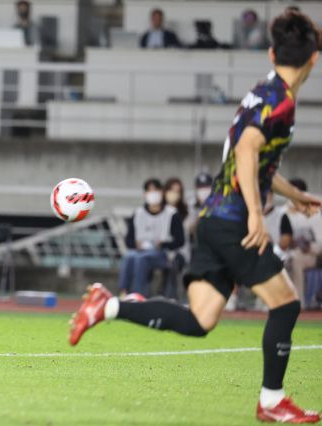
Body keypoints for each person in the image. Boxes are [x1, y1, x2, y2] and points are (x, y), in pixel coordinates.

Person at [70, 10, 321, 423]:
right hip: (234, 222)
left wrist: (296, 196)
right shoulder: (282, 103)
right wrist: (257, 217)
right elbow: (245, 154)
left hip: (214, 219)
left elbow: (256, 161)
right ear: (313, 60)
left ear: (273, 52)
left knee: (200, 320)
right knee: (287, 305)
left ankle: (108, 306)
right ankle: (272, 401)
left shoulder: (262, 92)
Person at [117, 178, 184, 298]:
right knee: (129, 257)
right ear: (145, 194)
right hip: (140, 251)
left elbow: (180, 240)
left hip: (164, 254)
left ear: (161, 192)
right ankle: (124, 292)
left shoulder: (171, 214)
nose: (153, 194)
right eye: (149, 191)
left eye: (156, 190)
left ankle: (138, 295)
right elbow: (129, 241)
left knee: (142, 259)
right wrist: (135, 245)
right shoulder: (138, 213)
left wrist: (163, 244)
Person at [284, 178, 322, 308]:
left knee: (296, 259)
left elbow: (320, 243)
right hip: (287, 253)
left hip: (311, 255)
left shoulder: (313, 212)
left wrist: (308, 246)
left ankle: (298, 303)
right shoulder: (284, 211)